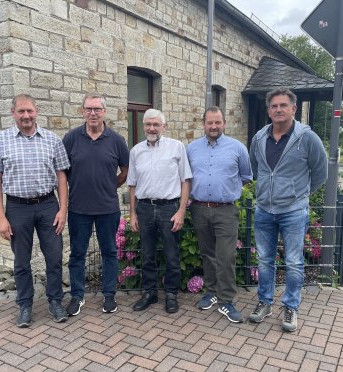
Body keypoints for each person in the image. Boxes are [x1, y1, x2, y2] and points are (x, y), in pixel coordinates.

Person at [0, 94, 70, 327]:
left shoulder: (52, 140)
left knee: (54, 257)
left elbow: (62, 177)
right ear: (13, 113)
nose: (26, 116)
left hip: (48, 206)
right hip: (17, 207)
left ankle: (55, 301)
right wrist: (0, 218)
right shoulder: (0, 141)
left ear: (37, 111)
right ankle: (24, 306)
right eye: (21, 111)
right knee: (22, 260)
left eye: (29, 111)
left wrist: (63, 210)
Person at [249, 87, 327, 332]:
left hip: (293, 211)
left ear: (293, 109)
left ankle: (291, 306)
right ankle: (265, 302)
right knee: (264, 260)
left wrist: (299, 195)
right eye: (274, 106)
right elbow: (254, 168)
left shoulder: (307, 138)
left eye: (284, 105)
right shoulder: (259, 138)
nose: (279, 109)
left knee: (293, 262)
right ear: (269, 110)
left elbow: (320, 173)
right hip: (264, 210)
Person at [63, 93, 129, 315]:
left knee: (109, 252)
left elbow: (125, 172)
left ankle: (109, 296)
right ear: (82, 111)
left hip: (107, 208)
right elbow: (62, 173)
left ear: (104, 112)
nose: (93, 113)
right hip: (78, 209)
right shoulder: (71, 138)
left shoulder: (117, 140)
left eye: (97, 109)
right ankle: (77, 296)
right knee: (77, 254)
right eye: (89, 109)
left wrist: (110, 186)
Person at [187, 106, 252, 323]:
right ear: (203, 124)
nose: (213, 126)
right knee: (208, 254)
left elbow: (246, 176)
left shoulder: (238, 148)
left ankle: (227, 300)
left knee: (226, 256)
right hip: (199, 208)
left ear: (224, 123)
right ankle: (211, 292)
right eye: (209, 123)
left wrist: (224, 191)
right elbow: (186, 178)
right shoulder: (192, 149)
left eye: (217, 122)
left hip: (226, 209)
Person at [127, 109, 192, 313]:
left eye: (156, 124)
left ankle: (171, 294)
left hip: (169, 208)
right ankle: (150, 293)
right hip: (145, 207)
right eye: (148, 124)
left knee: (172, 254)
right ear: (144, 126)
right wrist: (133, 213)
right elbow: (132, 185)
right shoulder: (136, 151)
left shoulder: (177, 147)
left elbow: (185, 180)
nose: (152, 128)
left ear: (164, 126)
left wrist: (181, 211)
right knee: (147, 254)